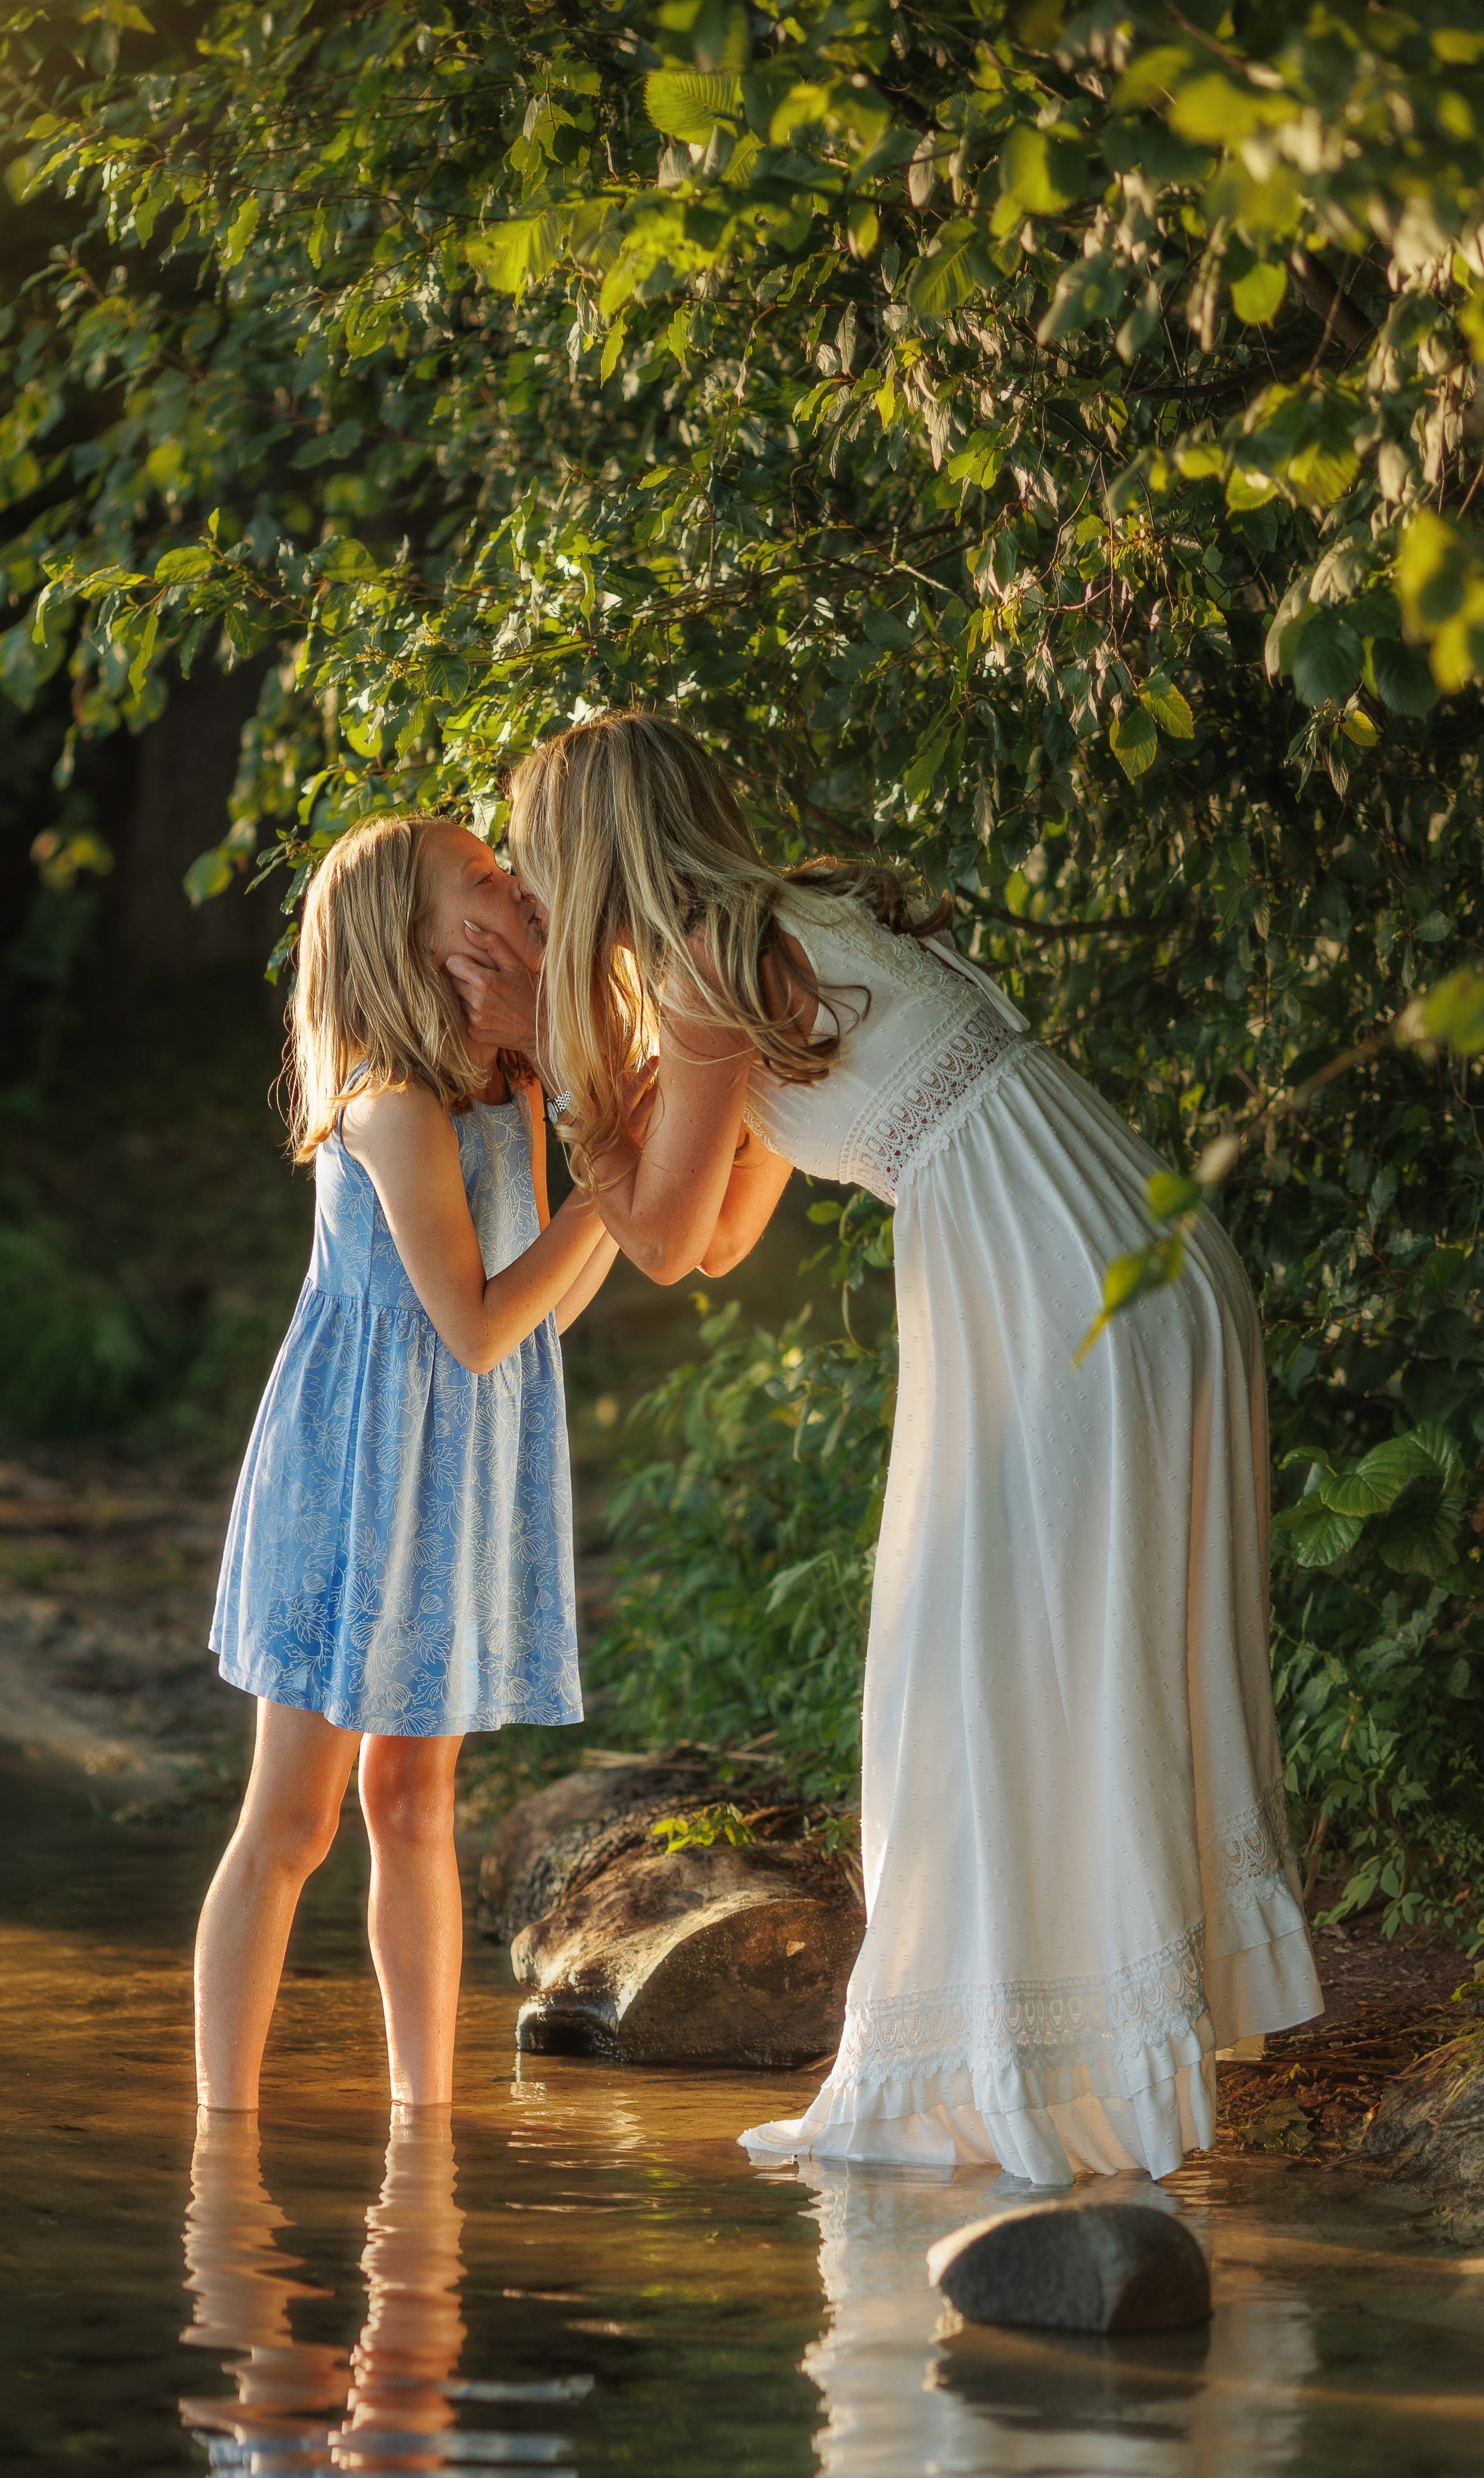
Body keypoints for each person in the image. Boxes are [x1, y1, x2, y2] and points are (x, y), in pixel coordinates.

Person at [448, 710, 1322, 2184]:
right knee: (1044, 1656)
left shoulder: (710, 968)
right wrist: (629, 1086)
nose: (531, 898)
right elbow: (721, 1237)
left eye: (534, 863)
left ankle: (1036, 2063)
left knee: (983, 1664)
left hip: (1057, 1286)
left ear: (590, 853)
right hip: (1128, 1259)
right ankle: (1079, 2051)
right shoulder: (778, 926)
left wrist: (552, 1061)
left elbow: (655, 1240)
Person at [197, 815, 616, 2114]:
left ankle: (422, 2133)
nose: (511, 885)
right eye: (481, 879)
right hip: (350, 1478)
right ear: (413, 937)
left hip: (455, 1475)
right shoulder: (386, 1100)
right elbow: (481, 1320)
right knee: (294, 1824)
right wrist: (612, 1186)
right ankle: (224, 2147)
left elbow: (540, 1313)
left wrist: (591, 1130)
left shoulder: (511, 1083)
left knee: (415, 1801)